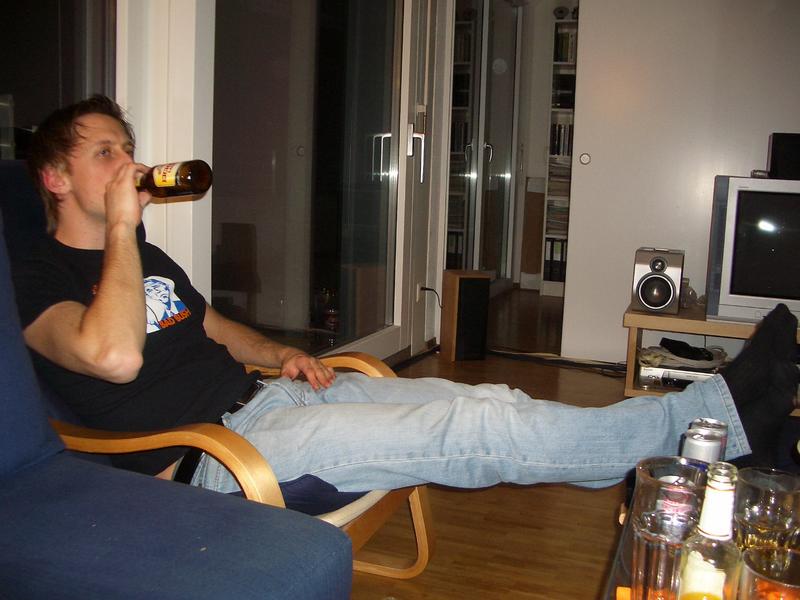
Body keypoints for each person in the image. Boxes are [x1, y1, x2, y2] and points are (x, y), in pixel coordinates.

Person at [11, 95, 799, 497]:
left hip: (269, 404)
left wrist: (281, 353)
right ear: (54, 177)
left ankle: (704, 434)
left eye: (129, 149)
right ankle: (718, 425)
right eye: (105, 153)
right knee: (474, 428)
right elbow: (113, 357)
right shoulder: (34, 277)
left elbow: (213, 325)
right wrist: (123, 227)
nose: (129, 165)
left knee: (487, 399)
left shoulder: (144, 256)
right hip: (211, 460)